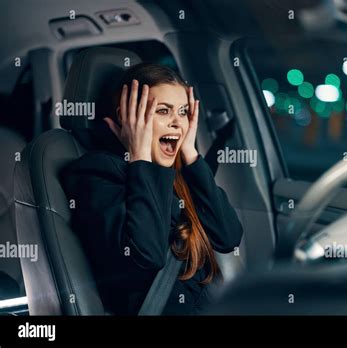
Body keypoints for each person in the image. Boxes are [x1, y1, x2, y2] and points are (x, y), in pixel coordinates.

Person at [61, 63, 243, 315]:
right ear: (128, 119)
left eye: (183, 112)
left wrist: (190, 153)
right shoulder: (95, 172)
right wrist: (140, 158)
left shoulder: (177, 173)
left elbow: (228, 237)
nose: (177, 123)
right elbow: (146, 257)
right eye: (163, 111)